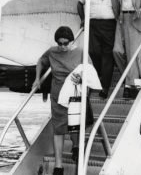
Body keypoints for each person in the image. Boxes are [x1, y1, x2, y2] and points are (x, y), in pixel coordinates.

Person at [32, 26, 84, 175]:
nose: (62, 46)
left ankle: (76, 147)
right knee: (58, 129)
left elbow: (90, 71)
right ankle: (58, 166)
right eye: (59, 43)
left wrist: (81, 78)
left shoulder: (80, 53)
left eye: (65, 43)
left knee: (74, 126)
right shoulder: (52, 51)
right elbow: (40, 61)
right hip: (57, 96)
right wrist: (37, 78)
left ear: (71, 41)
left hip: (75, 94)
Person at [77, 0, 116, 99]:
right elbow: (79, 3)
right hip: (93, 24)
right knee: (94, 53)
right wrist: (83, 18)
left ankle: (104, 88)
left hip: (109, 25)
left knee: (107, 56)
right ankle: (97, 78)